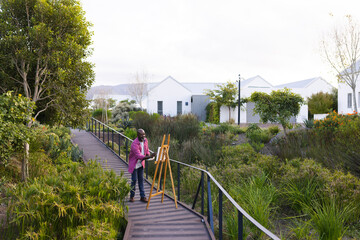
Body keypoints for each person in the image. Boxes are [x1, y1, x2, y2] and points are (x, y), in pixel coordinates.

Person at [128, 128, 156, 202]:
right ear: (138, 135)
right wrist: (149, 157)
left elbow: (146, 149)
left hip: (141, 164)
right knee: (134, 180)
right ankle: (132, 196)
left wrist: (148, 155)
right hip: (134, 164)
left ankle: (142, 196)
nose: (143, 136)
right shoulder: (134, 144)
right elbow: (139, 156)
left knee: (141, 180)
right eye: (141, 135)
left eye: (144, 134)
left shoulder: (145, 140)